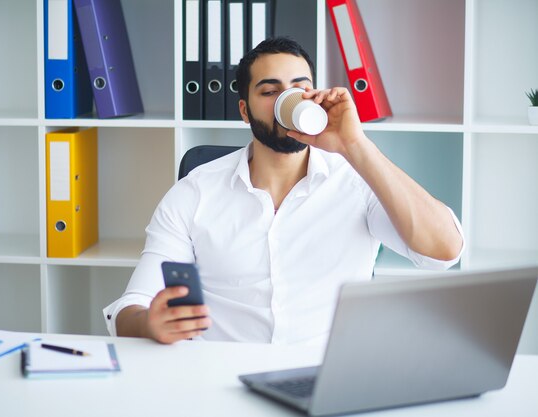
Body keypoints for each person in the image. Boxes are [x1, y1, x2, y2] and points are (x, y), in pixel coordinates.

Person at [104, 37, 464, 345]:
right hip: (221, 377)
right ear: (244, 110)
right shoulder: (194, 192)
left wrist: (356, 146)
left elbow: (443, 252)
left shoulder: (355, 180)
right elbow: (130, 308)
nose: (286, 100)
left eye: (299, 88)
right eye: (269, 90)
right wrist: (150, 324)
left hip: (327, 376)